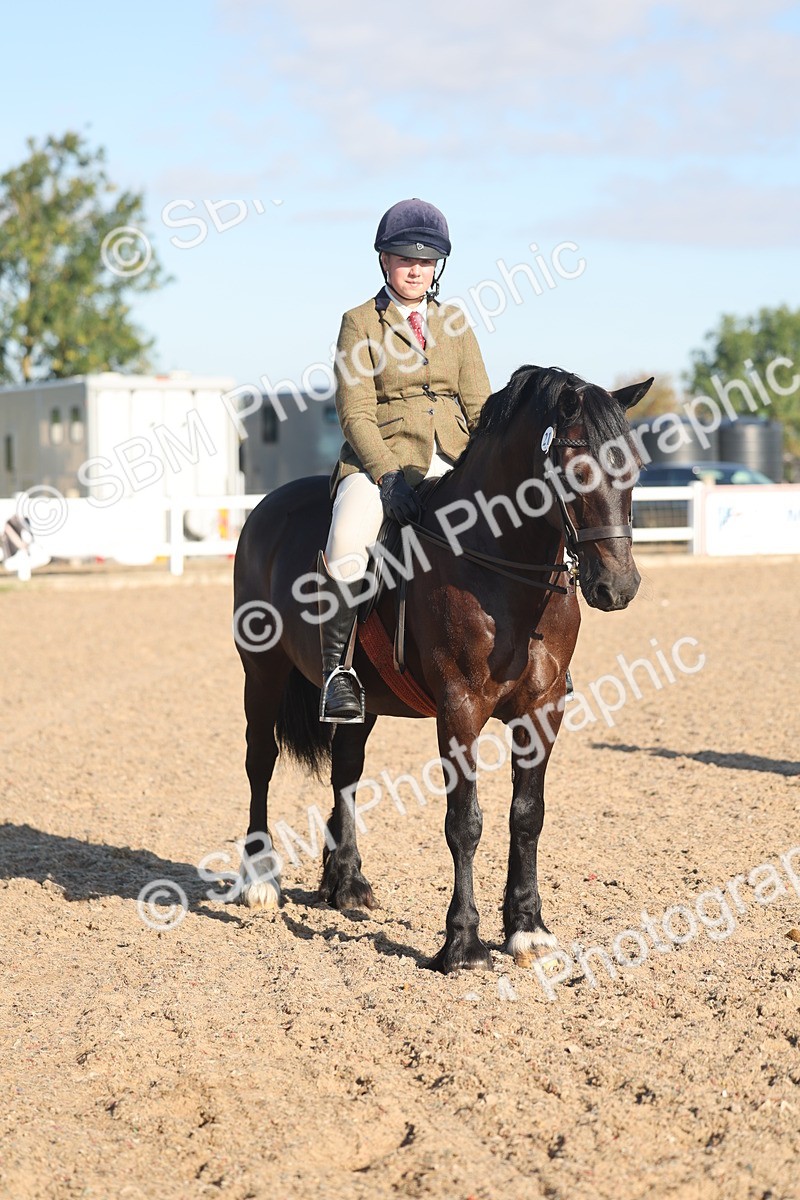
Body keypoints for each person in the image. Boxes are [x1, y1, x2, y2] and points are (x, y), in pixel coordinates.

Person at [319, 198, 491, 722]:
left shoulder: (456, 322)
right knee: (348, 541)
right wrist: (387, 476)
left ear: (438, 265)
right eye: (404, 258)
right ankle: (337, 673)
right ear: (384, 261)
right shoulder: (359, 323)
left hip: (453, 459)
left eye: (426, 260)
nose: (415, 269)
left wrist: (490, 462)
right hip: (381, 463)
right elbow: (356, 413)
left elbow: (481, 404)